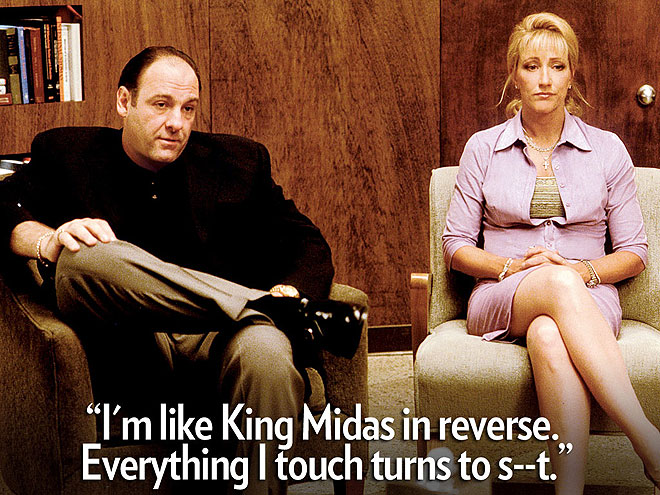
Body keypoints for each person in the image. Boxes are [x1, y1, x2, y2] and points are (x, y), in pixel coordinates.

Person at [0, 46, 365, 494]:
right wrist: (47, 240)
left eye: (188, 109)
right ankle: (263, 308)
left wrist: (290, 289)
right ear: (124, 102)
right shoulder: (66, 152)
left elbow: (306, 240)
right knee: (85, 253)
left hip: (221, 332)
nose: (177, 122)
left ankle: (264, 318)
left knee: (267, 348)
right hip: (124, 336)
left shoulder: (239, 162)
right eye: (161, 104)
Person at [442, 12, 660, 495]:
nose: (544, 79)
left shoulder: (607, 150)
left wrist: (581, 270)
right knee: (553, 286)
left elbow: (635, 251)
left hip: (589, 295)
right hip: (502, 294)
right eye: (531, 65)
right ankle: (648, 441)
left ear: (571, 75)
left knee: (548, 334)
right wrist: (510, 266)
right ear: (514, 75)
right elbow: (455, 245)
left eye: (557, 67)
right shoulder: (483, 148)